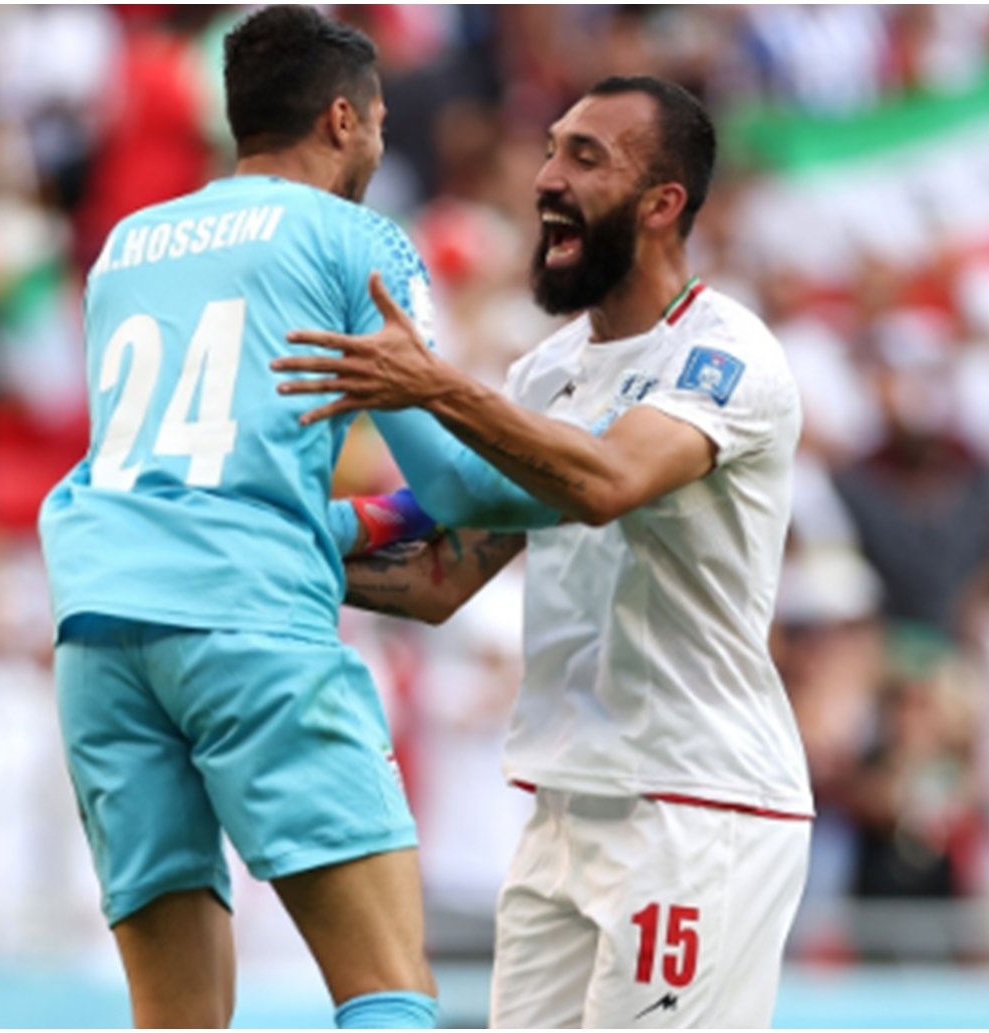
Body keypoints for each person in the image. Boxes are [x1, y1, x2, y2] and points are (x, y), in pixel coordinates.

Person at [37, 7, 548, 1028]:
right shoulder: (355, 239)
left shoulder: (128, 246)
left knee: (175, 1016)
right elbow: (453, 489)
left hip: (97, 628)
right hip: (248, 624)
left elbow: (188, 466)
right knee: (386, 989)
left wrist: (349, 526)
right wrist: (585, 476)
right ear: (343, 120)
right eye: (381, 121)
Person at [274, 76, 814, 1028]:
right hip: (564, 806)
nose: (545, 178)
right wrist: (262, 547)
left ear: (663, 203)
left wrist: (429, 388)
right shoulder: (546, 370)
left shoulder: (728, 356)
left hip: (696, 805)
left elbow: (604, 483)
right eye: (551, 149)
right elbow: (448, 573)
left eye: (584, 157)